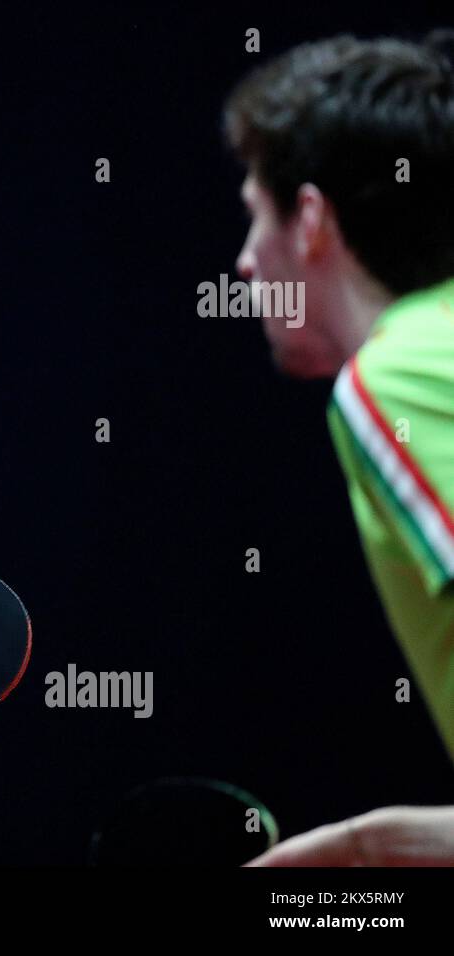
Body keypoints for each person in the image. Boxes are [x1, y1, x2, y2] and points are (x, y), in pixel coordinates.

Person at [220, 32, 454, 866]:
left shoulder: (397, 376)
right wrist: (380, 846)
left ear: (311, 220)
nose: (245, 265)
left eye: (255, 214)